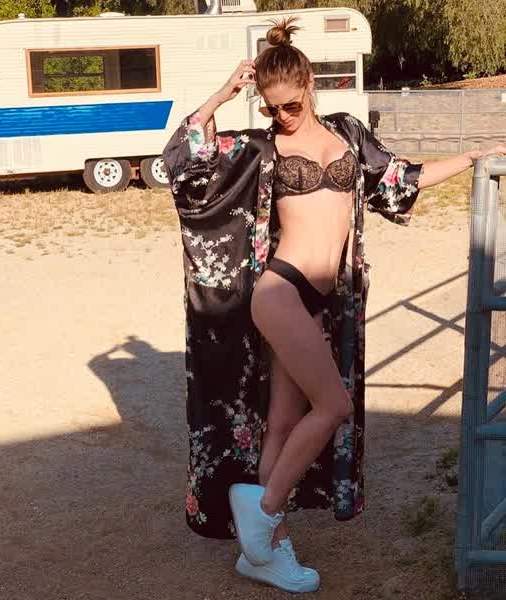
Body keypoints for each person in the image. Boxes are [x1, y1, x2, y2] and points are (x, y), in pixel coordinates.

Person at [163, 16, 506, 594]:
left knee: (284, 421)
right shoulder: (262, 147)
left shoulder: (348, 132)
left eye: (290, 105)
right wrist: (223, 93)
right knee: (334, 406)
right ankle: (263, 514)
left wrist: (474, 156)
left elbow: (398, 179)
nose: (280, 115)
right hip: (280, 292)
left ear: (309, 86)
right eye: (270, 107)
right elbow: (182, 158)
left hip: (319, 300)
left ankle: (263, 553)